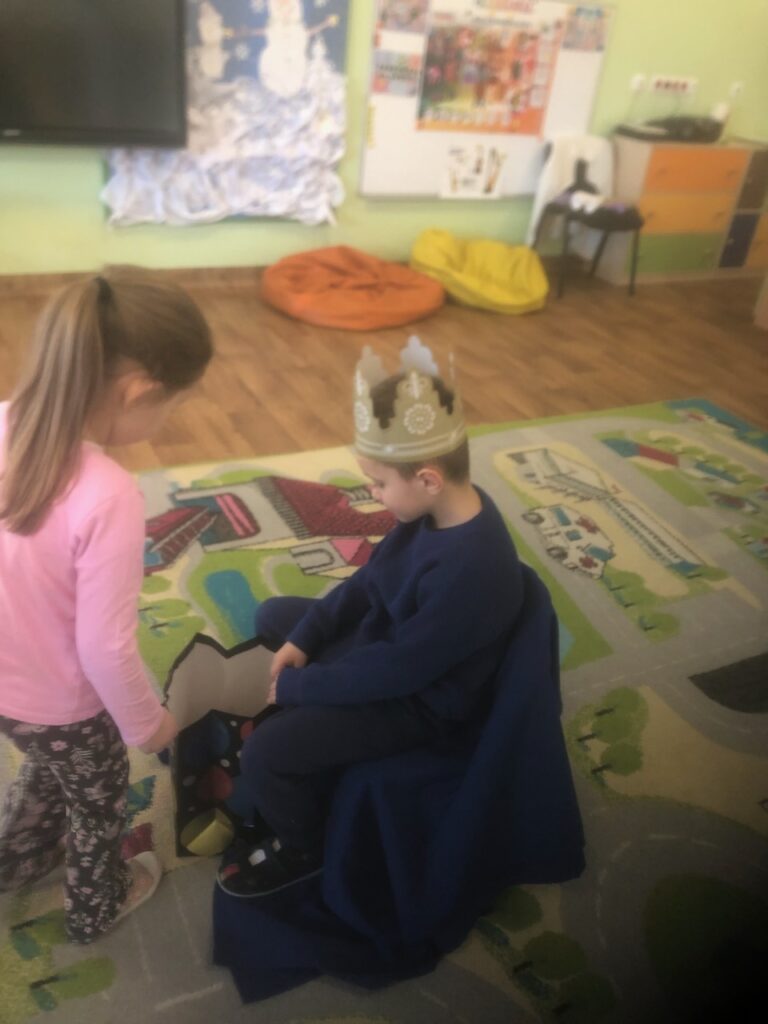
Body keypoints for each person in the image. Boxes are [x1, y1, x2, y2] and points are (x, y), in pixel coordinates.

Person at [218, 336, 524, 898]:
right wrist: (307, 637)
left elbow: (398, 671)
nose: (372, 494)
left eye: (380, 484)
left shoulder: (470, 571)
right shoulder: (432, 510)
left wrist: (304, 687)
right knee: (275, 616)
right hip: (386, 646)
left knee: (266, 754)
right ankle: (310, 723)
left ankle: (306, 847)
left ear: (428, 478)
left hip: (417, 701)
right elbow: (369, 581)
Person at [0, 266, 213, 943]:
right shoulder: (108, 494)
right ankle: (96, 907)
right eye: (170, 405)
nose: (164, 419)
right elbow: (105, 646)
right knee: (98, 800)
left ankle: (16, 858)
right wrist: (148, 724)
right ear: (138, 390)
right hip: (62, 703)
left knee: (46, 762)